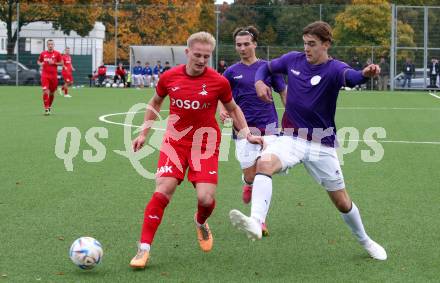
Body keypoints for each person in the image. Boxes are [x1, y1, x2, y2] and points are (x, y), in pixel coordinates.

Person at [229, 21, 387, 261]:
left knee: (343, 202)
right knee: (264, 164)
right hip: (291, 137)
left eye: (312, 44)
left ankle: (366, 241)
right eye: (305, 44)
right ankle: (256, 221)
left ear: (326, 44)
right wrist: (260, 81)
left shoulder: (335, 69)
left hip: (321, 144)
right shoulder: (293, 60)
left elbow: (352, 78)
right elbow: (267, 69)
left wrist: (365, 74)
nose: (307, 49)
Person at [129, 31, 263, 269]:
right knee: (164, 188)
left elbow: (233, 109)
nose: (201, 60)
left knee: (205, 198)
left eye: (206, 56)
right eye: (198, 55)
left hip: (205, 143)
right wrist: (143, 133)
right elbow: (156, 102)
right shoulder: (169, 77)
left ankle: (201, 222)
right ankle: (143, 248)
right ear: (187, 52)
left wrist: (247, 134)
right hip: (175, 142)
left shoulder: (218, 81)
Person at [220, 26, 287, 236]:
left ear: (255, 44)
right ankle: (247, 183)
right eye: (239, 45)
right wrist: (222, 111)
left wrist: (293, 116)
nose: (242, 48)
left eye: (246, 44)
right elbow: (221, 97)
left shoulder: (268, 69)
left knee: (264, 167)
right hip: (243, 129)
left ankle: (260, 220)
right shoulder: (231, 72)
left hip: (269, 128)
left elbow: (284, 92)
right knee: (250, 174)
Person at [37, 39, 63, 115]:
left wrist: (54, 62)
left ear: (53, 45)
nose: (50, 45)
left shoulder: (57, 54)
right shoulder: (43, 53)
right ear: (47, 45)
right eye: (49, 44)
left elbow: (61, 63)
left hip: (53, 76)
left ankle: (49, 107)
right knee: (45, 91)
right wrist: (40, 64)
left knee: (51, 93)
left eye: (52, 44)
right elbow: (38, 61)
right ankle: (46, 109)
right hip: (45, 75)